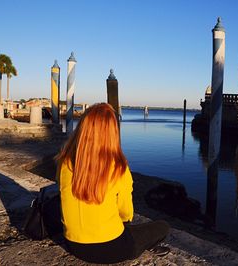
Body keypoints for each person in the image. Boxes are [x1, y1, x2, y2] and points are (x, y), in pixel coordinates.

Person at [56, 103, 170, 264]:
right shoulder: (118, 167)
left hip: (73, 244)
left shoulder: (65, 161)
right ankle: (145, 246)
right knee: (162, 227)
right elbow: (125, 213)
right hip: (112, 248)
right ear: (112, 133)